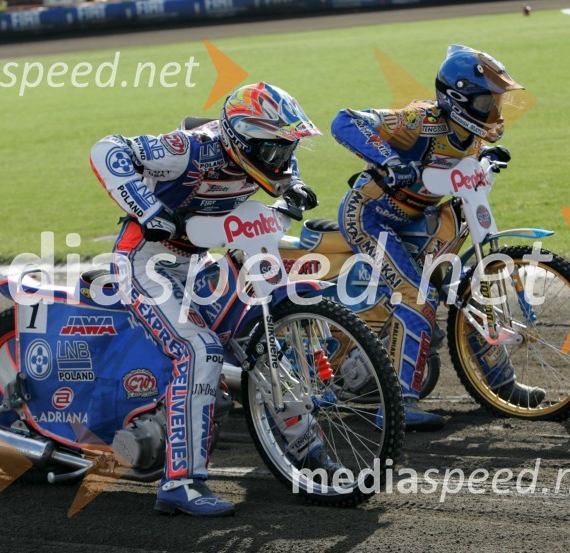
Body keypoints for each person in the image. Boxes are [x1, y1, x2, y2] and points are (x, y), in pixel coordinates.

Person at [90, 82, 329, 516]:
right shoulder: (188, 149)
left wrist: (293, 186)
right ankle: (181, 484)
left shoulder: (259, 156)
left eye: (288, 149)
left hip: (199, 263)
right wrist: (147, 210)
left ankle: (309, 449)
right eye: (275, 151)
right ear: (243, 141)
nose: (283, 160)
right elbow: (107, 150)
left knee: (260, 334)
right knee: (198, 349)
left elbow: (279, 174)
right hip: (143, 261)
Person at [331, 45, 546, 431]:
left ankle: (502, 384)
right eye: (487, 101)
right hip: (371, 215)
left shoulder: (473, 132)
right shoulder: (418, 119)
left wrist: (487, 160)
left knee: (470, 289)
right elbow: (344, 121)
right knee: (418, 298)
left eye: (497, 101)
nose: (495, 111)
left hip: (420, 216)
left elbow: (459, 162)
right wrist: (389, 159)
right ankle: (397, 403)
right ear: (459, 97)